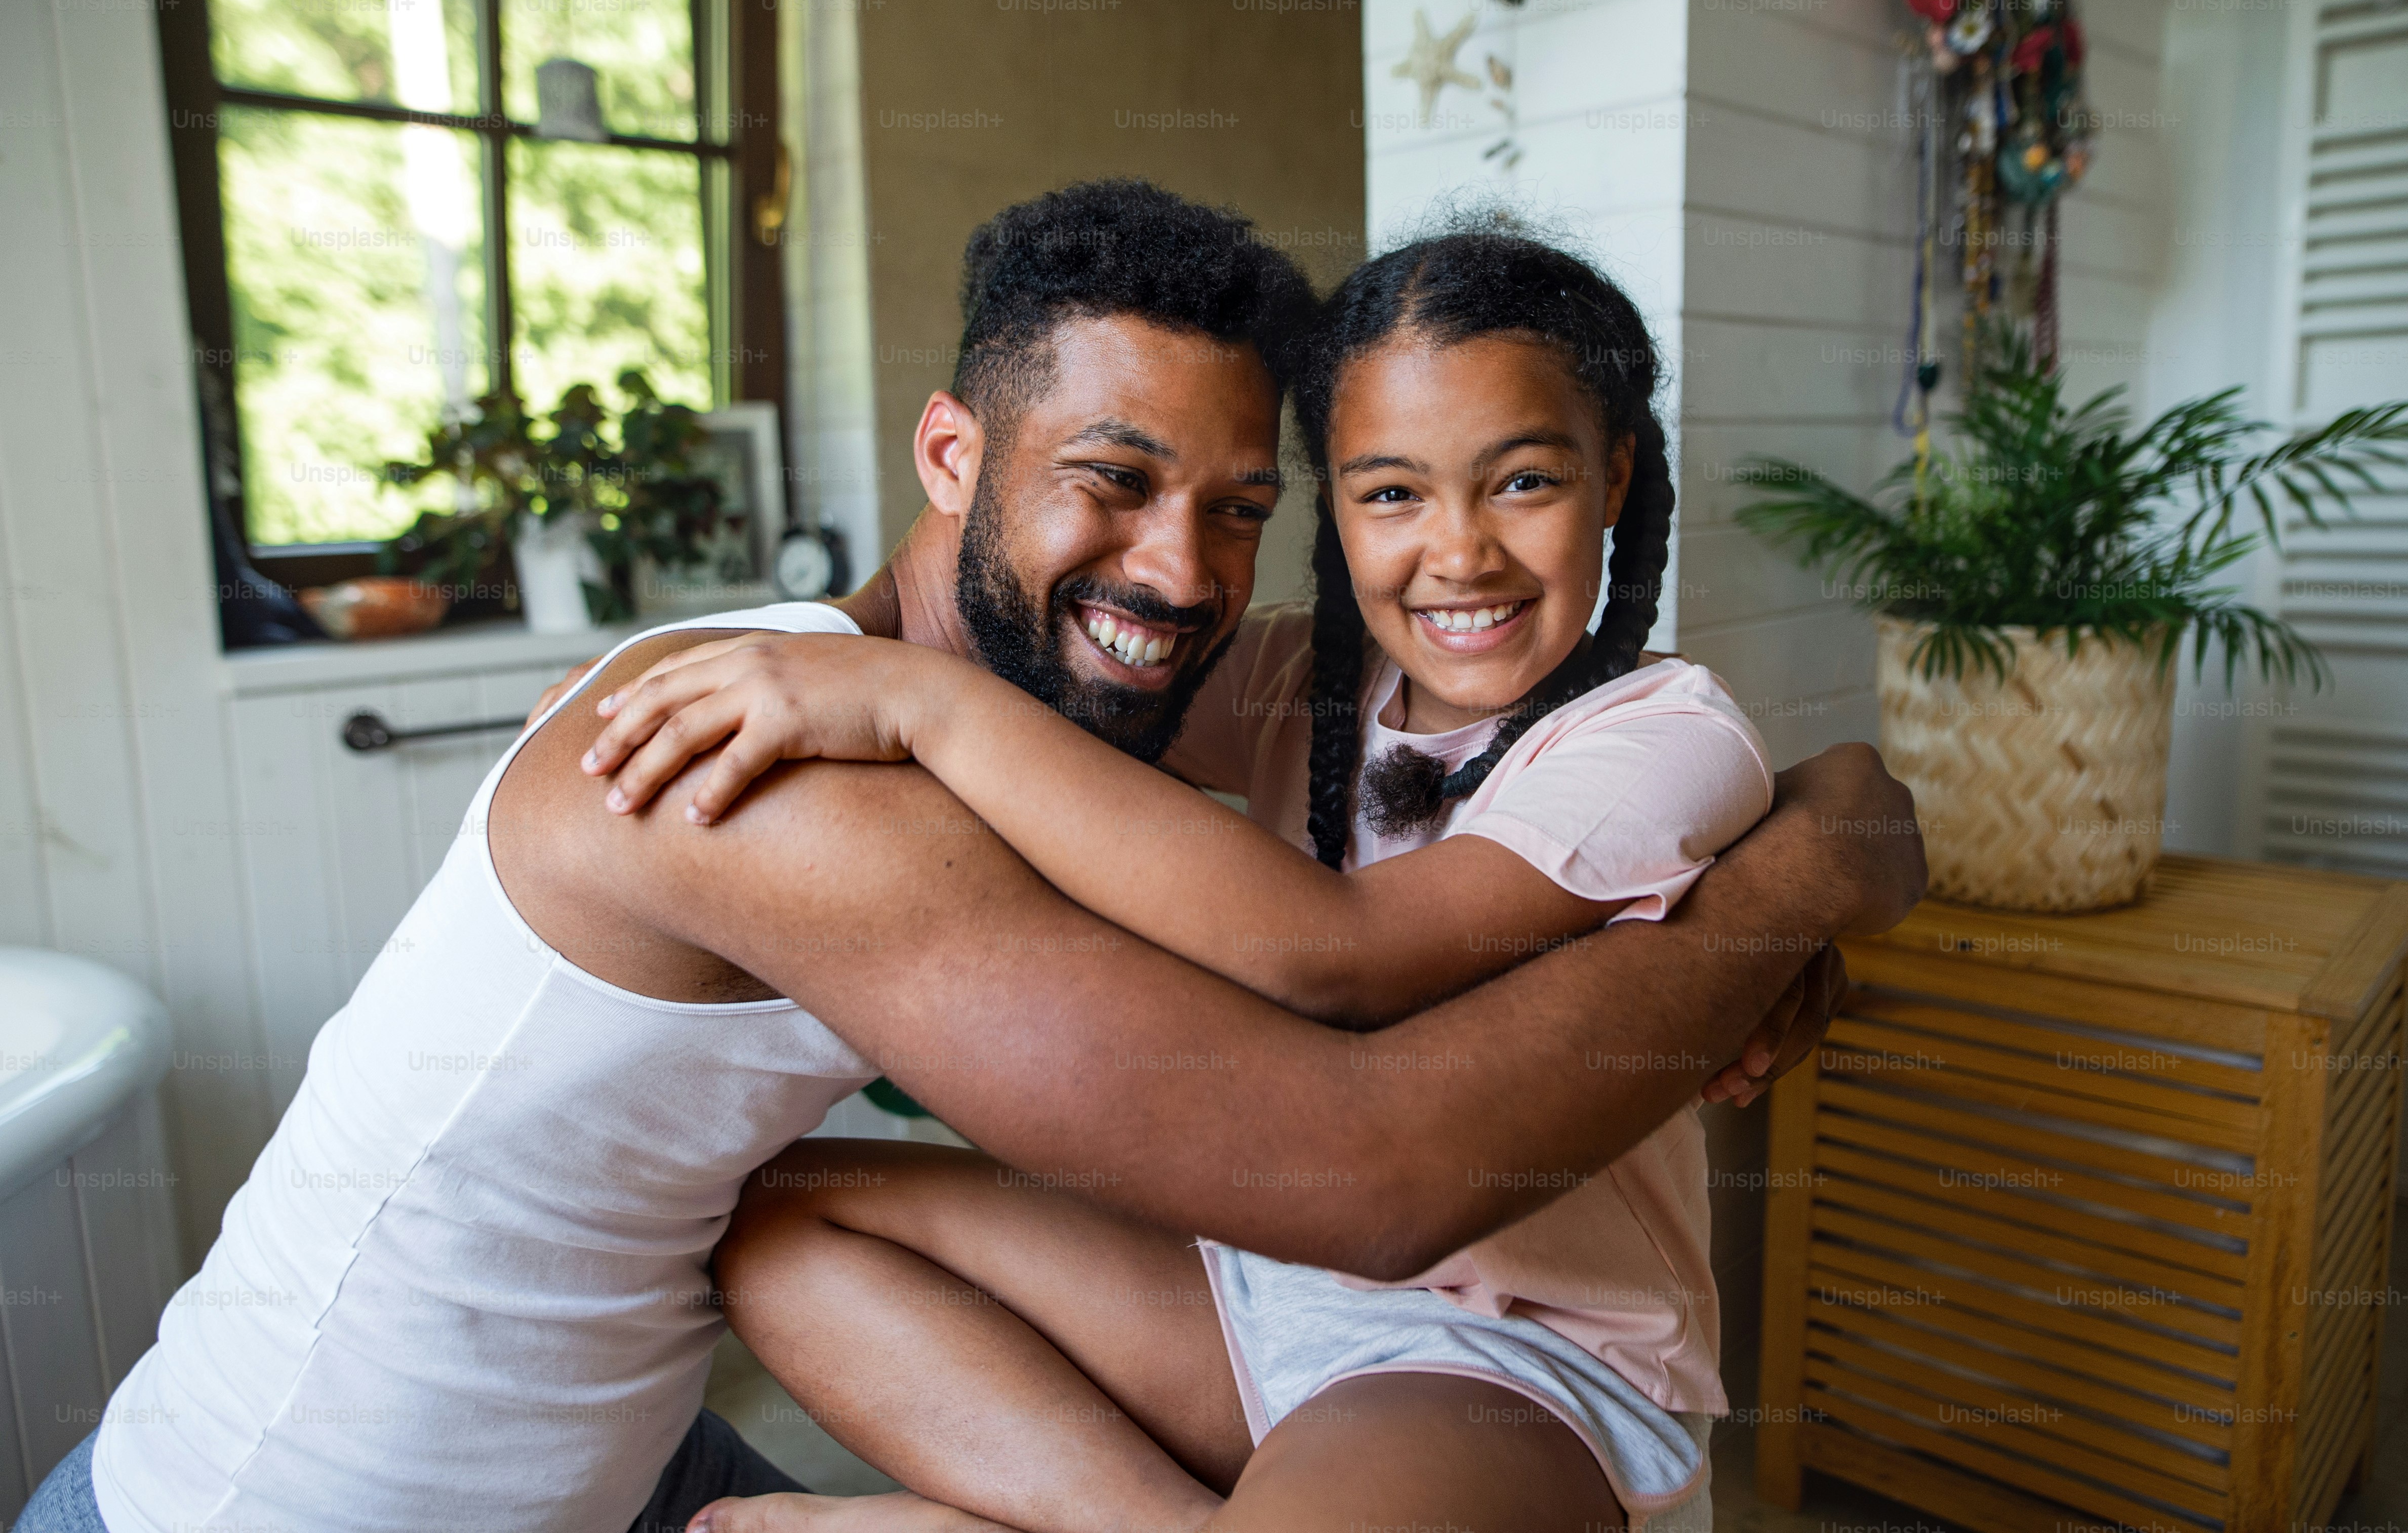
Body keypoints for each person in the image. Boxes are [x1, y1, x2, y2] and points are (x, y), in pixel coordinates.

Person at [27, 182, 1920, 1533]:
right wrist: (1787, 895)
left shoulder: (1088, 694)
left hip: (624, 1468)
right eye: (1107, 479)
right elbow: (1365, 1168)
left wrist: (1812, 822)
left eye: (1238, 508)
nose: (1179, 572)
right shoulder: (784, 767)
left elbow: (1598, 769)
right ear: (951, 452)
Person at [574, 227, 1768, 1532]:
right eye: (1390, 494)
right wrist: (719, 672)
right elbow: (1047, 669)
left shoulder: (1664, 736)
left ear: (1615, 478)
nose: (1459, 552)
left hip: (1502, 1353)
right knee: (787, 1219)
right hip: (1242, 1287)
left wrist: (916, 706)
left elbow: (1349, 952)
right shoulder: (1302, 680)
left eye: (1524, 481)